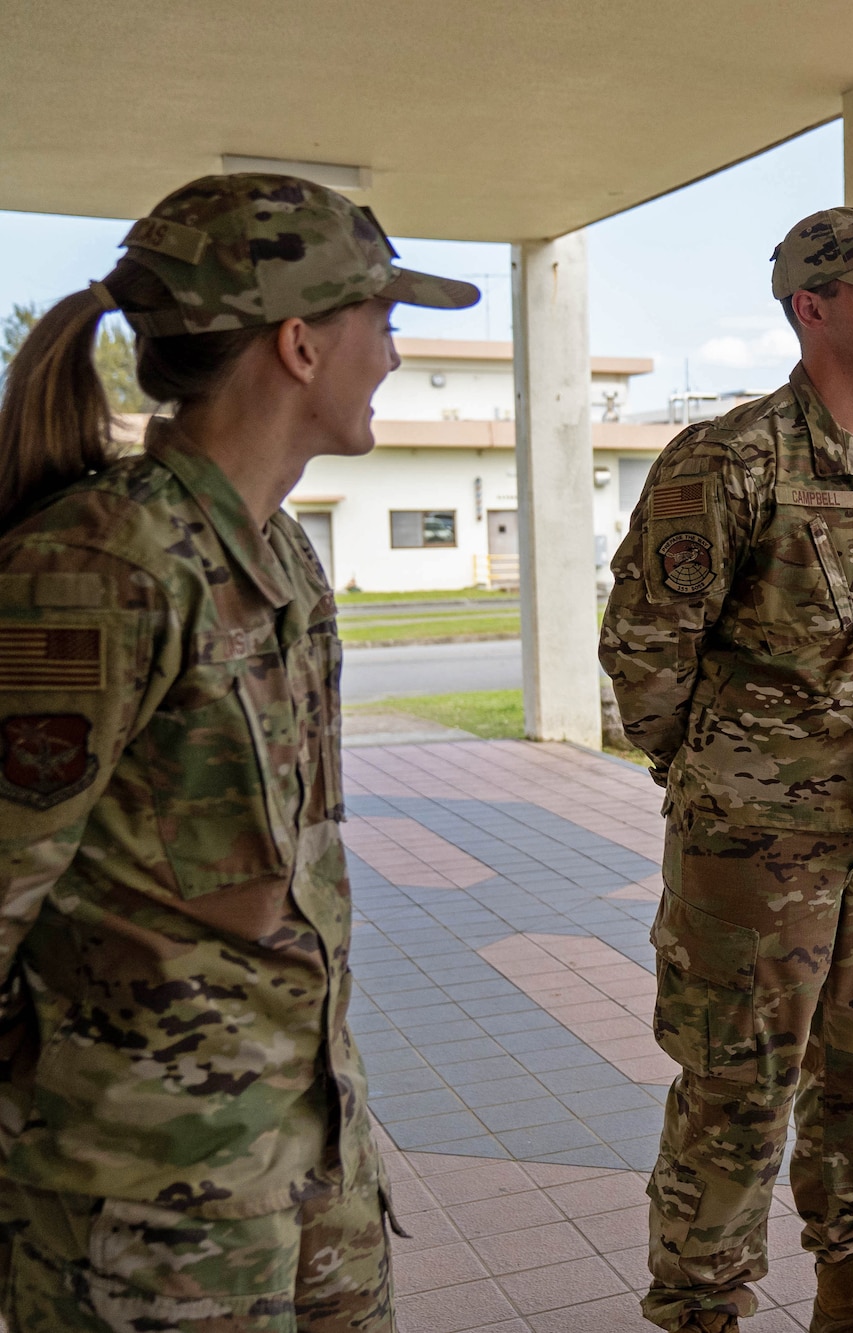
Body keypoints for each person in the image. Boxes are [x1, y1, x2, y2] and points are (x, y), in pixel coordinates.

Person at [0, 174, 477, 1329]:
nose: (397, 356)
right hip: (137, 1207)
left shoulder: (281, 562)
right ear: (302, 344)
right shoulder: (102, 567)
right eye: (387, 323)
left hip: (301, 1151)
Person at [600, 207, 853, 1333]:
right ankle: (701, 1303)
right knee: (738, 1082)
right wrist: (719, 779)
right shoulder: (727, 460)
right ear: (811, 308)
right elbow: (644, 644)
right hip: (751, 851)